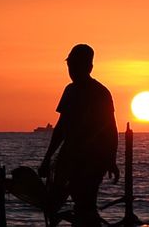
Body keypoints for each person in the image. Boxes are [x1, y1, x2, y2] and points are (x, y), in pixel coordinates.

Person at [38, 44, 119, 227]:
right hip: (68, 156)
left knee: (86, 203)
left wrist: (111, 159)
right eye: (70, 66)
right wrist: (47, 158)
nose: (72, 71)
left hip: (92, 159)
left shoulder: (101, 93)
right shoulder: (70, 90)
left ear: (89, 68)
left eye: (76, 66)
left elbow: (111, 128)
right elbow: (60, 128)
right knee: (61, 201)